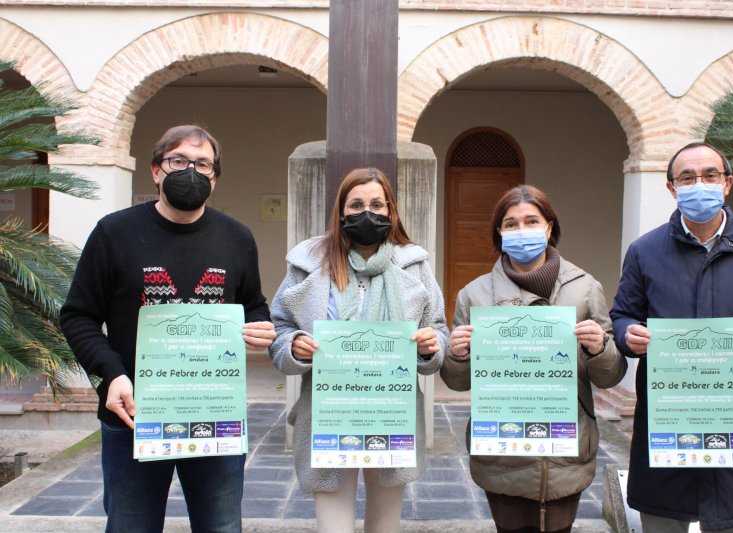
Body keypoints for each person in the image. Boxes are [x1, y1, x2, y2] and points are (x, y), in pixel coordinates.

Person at [60, 125, 276, 533]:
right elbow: (78, 315)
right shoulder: (113, 233)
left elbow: (253, 304)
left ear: (215, 177)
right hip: (134, 414)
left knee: (221, 526)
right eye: (179, 161)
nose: (191, 171)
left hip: (214, 414)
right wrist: (112, 374)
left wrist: (258, 327)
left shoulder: (236, 237)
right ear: (157, 170)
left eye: (202, 164)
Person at [610, 142, 733, 532]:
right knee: (662, 519)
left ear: (727, 183)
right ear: (672, 188)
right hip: (667, 415)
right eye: (687, 177)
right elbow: (623, 314)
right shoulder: (645, 251)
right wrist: (629, 334)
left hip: (731, 414)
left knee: (732, 520)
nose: (700, 184)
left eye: (710, 175)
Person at [269, 167, 447, 533]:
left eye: (377, 204)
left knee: (385, 526)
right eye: (356, 204)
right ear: (341, 211)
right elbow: (279, 326)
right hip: (329, 412)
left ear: (390, 210)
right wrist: (293, 346)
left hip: (392, 413)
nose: (367, 213)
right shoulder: (308, 262)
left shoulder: (414, 263)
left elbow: (438, 328)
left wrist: (431, 347)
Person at [441, 185, 626, 533]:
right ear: (499, 231)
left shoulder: (585, 288)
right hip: (502, 450)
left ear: (549, 227)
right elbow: (457, 381)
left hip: (566, 447)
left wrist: (599, 348)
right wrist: (458, 355)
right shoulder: (474, 294)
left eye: (531, 221)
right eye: (511, 224)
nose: (521, 230)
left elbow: (610, 375)